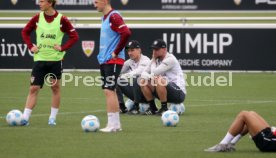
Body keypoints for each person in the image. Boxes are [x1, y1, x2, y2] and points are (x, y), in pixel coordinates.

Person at [21, 0, 79, 126]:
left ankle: (52, 118)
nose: (39, 3)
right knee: (33, 88)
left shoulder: (62, 19)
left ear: (50, 3)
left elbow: (74, 36)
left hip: (55, 61)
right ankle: (25, 118)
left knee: (55, 87)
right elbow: (25, 32)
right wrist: (30, 46)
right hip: (39, 59)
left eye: (42, 1)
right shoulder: (37, 18)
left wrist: (62, 48)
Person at [93, 0, 131, 132]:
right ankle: (115, 125)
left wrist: (116, 51)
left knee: (109, 90)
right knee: (108, 90)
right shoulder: (105, 18)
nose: (94, 3)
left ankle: (113, 125)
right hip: (105, 60)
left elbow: (126, 33)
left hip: (113, 60)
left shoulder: (114, 16)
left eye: (96, 1)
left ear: (105, 1)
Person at [139, 39, 186, 115]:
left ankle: (164, 108)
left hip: (178, 93)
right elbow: (143, 73)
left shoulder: (170, 59)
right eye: (153, 49)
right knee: (143, 81)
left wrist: (153, 61)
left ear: (164, 49)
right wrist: (149, 76)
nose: (154, 51)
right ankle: (153, 108)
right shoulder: (155, 59)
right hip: (164, 90)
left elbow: (155, 72)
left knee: (159, 79)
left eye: (157, 49)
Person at [204, 111, 276, 152]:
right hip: (271, 138)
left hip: (269, 141)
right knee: (252, 113)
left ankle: (222, 145)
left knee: (243, 114)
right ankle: (230, 144)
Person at [116, 40, 150, 114]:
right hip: (135, 92)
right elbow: (118, 71)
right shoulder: (129, 62)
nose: (130, 53)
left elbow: (138, 72)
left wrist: (124, 75)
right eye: (128, 51)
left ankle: (136, 107)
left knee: (136, 79)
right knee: (116, 80)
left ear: (139, 50)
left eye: (132, 50)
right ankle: (122, 107)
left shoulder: (146, 60)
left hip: (147, 94)